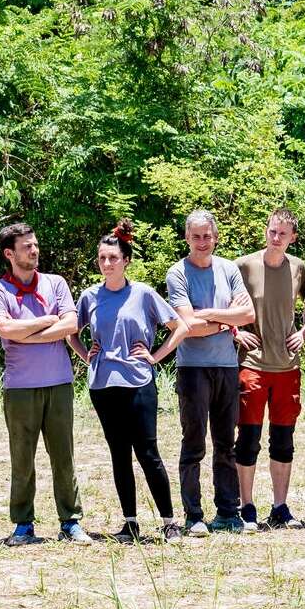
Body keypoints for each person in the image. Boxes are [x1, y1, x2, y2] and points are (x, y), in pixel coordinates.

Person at [74, 220, 195, 543]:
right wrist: (86, 353)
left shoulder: (142, 294)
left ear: (126, 260)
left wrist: (156, 355)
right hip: (103, 384)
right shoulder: (90, 296)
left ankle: (169, 521)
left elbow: (180, 327)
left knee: (147, 452)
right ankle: (130, 522)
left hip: (139, 381)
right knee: (119, 453)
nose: (107, 264)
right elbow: (70, 331)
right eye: (102, 258)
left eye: (113, 258)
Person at [0, 221, 85, 545]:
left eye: (35, 244)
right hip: (20, 388)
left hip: (59, 384)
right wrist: (46, 322)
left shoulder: (55, 284)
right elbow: (6, 331)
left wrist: (27, 331)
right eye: (27, 246)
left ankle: (70, 521)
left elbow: (71, 323)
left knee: (63, 457)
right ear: (9, 254)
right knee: (22, 460)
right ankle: (23, 525)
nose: (35, 250)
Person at [165, 210, 255, 536]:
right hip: (192, 369)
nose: (202, 242)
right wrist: (227, 321)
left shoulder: (229, 269)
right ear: (187, 238)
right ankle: (194, 516)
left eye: (207, 236)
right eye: (196, 236)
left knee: (225, 443)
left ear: (215, 237)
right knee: (193, 444)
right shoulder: (178, 273)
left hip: (227, 367)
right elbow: (187, 326)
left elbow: (247, 313)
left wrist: (212, 316)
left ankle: (229, 513)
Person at [234, 209, 305, 531]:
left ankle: (280, 507)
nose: (275, 238)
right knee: (248, 439)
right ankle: (247, 506)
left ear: (293, 237)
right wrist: (236, 331)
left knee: (283, 439)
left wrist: (304, 333)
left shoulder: (299, 268)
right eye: (272, 231)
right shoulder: (243, 265)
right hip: (251, 364)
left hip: (287, 367)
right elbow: (224, 304)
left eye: (282, 233)